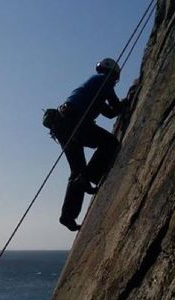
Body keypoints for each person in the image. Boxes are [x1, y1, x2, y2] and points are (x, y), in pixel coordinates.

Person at [53, 58, 127, 231]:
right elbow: (114, 106)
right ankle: (86, 178)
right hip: (74, 120)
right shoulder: (103, 81)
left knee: (77, 171)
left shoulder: (91, 87)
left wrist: (118, 107)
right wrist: (125, 102)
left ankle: (68, 217)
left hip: (62, 124)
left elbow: (109, 113)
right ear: (113, 74)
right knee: (109, 143)